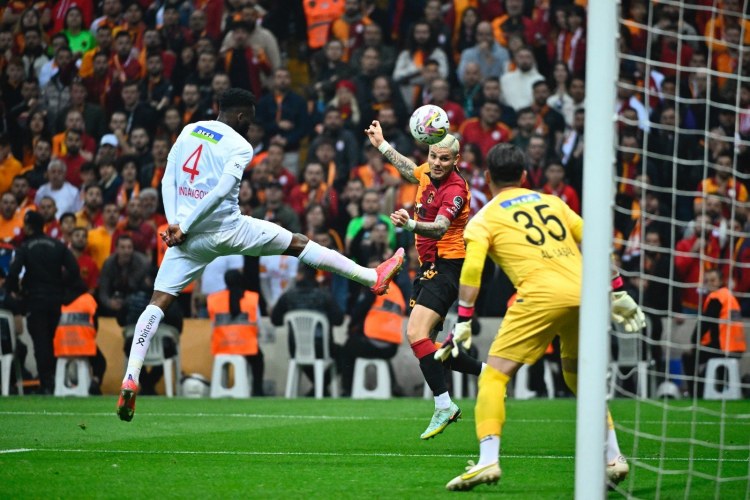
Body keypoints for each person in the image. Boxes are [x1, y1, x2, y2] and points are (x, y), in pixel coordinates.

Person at [117, 88, 403, 421]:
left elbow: (168, 179)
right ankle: (371, 276)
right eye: (249, 121)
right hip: (227, 229)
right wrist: (188, 224)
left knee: (157, 303)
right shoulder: (240, 145)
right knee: (298, 243)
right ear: (240, 116)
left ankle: (131, 375)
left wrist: (176, 223)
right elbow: (221, 190)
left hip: (187, 239)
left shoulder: (189, 130)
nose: (250, 127)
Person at [441, 144, 646, 491]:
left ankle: (488, 460)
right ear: (524, 176)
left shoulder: (483, 219)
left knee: (493, 376)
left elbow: (472, 270)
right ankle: (613, 457)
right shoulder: (553, 202)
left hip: (540, 296)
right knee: (579, 378)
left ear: (488, 177)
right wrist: (617, 290)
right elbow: (595, 240)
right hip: (585, 294)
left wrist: (463, 320)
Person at [365, 121, 483, 440]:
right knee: (428, 346)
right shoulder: (427, 173)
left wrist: (411, 225)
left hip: (448, 266)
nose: (437, 163)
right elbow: (410, 170)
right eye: (433, 156)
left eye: (444, 158)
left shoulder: (455, 189)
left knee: (415, 333)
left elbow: (441, 227)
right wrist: (382, 144)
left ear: (456, 160)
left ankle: (444, 405)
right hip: (429, 267)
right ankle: (489, 373)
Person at [5, 211, 80, 394]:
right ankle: (54, 379)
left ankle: (46, 382)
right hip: (55, 300)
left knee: (40, 342)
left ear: (29, 227)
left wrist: (15, 291)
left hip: (35, 300)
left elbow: (13, 273)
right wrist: (61, 286)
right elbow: (74, 270)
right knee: (53, 340)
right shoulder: (58, 245)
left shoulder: (25, 247)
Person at [681, 268, 746, 397]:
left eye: (713, 280)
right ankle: (720, 390)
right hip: (737, 347)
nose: (710, 283)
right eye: (707, 281)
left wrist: (694, 342)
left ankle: (696, 393)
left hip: (723, 346)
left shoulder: (717, 297)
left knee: (688, 357)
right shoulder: (730, 297)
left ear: (721, 281)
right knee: (710, 364)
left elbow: (705, 323)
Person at [207, 269, 266, 396]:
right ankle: (257, 391)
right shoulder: (251, 298)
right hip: (246, 346)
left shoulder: (213, 299)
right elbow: (258, 325)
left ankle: (222, 388)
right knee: (258, 360)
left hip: (222, 345)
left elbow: (213, 325)